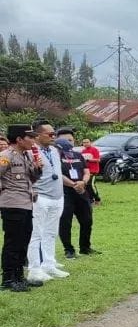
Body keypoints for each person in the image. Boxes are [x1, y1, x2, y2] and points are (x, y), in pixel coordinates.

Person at [0, 125, 43, 292]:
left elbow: (32, 179)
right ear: (19, 139)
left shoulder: (26, 155)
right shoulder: (6, 156)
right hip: (12, 204)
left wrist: (38, 168)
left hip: (25, 202)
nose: (32, 141)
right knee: (13, 242)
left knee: (23, 241)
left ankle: (19, 277)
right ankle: (8, 279)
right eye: (29, 137)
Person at [27, 120, 69, 285]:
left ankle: (49, 264)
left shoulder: (54, 150)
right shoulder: (31, 151)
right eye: (50, 134)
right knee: (36, 233)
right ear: (37, 135)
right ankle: (35, 268)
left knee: (51, 232)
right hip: (40, 196)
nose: (53, 137)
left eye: (54, 134)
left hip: (57, 196)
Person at [56, 129, 96, 259]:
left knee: (87, 220)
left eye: (70, 140)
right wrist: (73, 185)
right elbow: (57, 174)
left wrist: (83, 182)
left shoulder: (78, 155)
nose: (69, 142)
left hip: (82, 191)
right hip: (65, 191)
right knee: (65, 221)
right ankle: (69, 249)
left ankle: (85, 247)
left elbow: (86, 171)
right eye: (65, 140)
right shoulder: (55, 155)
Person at [80, 138, 101, 203]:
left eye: (87, 142)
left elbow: (98, 159)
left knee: (91, 185)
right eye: (84, 142)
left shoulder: (94, 150)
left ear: (90, 142)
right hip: (86, 171)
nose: (85, 144)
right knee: (86, 185)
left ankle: (97, 199)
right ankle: (90, 200)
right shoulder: (83, 151)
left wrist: (89, 160)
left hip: (93, 170)